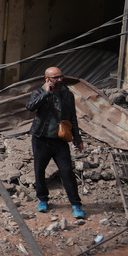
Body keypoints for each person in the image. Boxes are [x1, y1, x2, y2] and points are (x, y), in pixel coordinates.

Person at [26, 66, 85, 218]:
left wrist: (77, 139)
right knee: (39, 171)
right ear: (47, 79)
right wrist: (46, 93)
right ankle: (43, 200)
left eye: (61, 77)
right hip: (41, 138)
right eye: (56, 77)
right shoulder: (39, 93)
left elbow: (72, 118)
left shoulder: (67, 95)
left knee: (67, 172)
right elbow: (30, 107)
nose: (60, 80)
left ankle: (76, 204)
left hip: (60, 141)